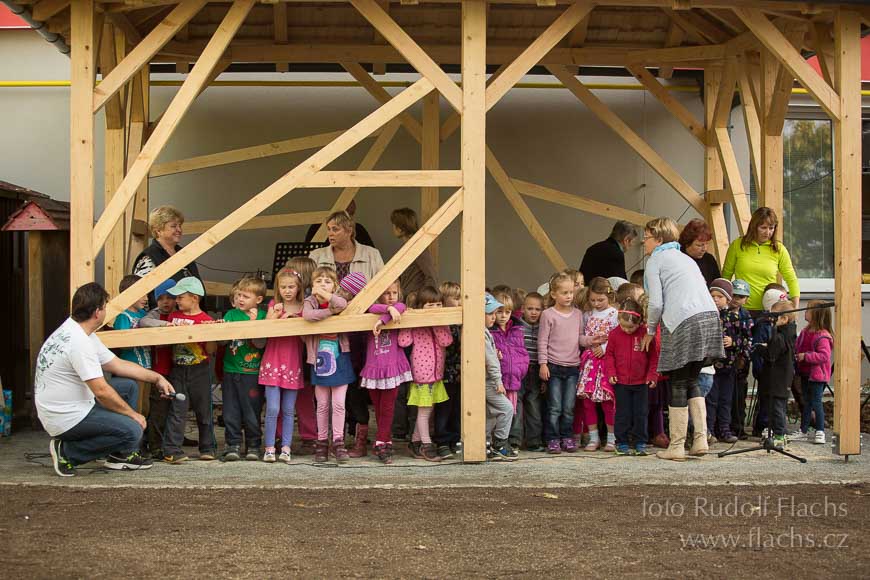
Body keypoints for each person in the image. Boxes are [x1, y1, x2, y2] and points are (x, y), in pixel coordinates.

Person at [36, 283, 174, 477]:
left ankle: (121, 455)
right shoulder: (78, 343)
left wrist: (156, 377)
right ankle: (67, 453)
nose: (106, 311)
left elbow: (117, 364)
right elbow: (101, 391)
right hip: (66, 417)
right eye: (105, 307)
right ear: (97, 312)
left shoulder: (79, 330)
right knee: (132, 430)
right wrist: (133, 415)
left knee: (127, 386)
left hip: (72, 403)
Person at [640, 217, 724, 462]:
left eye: (646, 237)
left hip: (684, 321)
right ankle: (700, 440)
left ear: (658, 239)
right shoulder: (684, 258)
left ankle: (676, 446)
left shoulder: (656, 260)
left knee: (677, 381)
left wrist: (650, 329)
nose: (644, 242)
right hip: (709, 319)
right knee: (691, 379)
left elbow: (655, 302)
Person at [538, 272, 606, 455]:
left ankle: (567, 437)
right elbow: (542, 341)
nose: (569, 296)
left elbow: (580, 338)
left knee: (568, 407)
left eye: (570, 292)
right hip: (553, 365)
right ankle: (552, 439)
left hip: (572, 367)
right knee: (554, 407)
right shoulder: (547, 315)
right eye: (564, 293)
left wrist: (592, 340)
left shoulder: (577, 314)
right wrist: (543, 364)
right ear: (554, 294)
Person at [162, 277, 218, 464]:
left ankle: (207, 447)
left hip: (200, 369)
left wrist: (211, 333)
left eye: (180, 297)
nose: (176, 301)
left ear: (194, 298)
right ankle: (171, 449)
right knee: (177, 409)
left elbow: (210, 351)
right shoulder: (173, 317)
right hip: (178, 369)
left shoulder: (206, 320)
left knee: (204, 410)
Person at [302, 267, 355, 464]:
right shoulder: (310, 302)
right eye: (318, 281)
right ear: (312, 285)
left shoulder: (338, 300)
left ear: (335, 285)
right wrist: (328, 312)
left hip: (340, 357)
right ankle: (322, 442)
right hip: (319, 360)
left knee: (339, 403)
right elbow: (308, 315)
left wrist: (328, 298)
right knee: (322, 404)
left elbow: (341, 304)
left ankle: (339, 442)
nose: (323, 284)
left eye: (327, 281)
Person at [360, 280, 413, 464]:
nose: (391, 297)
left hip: (391, 367)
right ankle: (385, 439)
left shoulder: (398, 308)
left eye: (394, 292)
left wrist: (386, 316)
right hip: (374, 368)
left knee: (388, 406)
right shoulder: (371, 309)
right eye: (386, 293)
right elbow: (369, 306)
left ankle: (381, 441)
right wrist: (386, 310)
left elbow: (401, 305)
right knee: (379, 406)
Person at [399, 286, 453, 462]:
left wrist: (437, 322)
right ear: (421, 306)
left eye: (438, 304)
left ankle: (415, 442)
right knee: (423, 412)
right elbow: (403, 341)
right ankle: (426, 444)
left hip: (436, 374)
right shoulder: (417, 324)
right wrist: (410, 322)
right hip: (422, 374)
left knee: (428, 410)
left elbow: (446, 341)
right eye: (431, 305)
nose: (436, 308)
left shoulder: (440, 323)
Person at [259, 269, 305, 463]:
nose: (287, 290)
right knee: (272, 408)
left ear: (298, 288)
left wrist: (297, 321)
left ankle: (286, 447)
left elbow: (306, 335)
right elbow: (265, 329)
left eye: (291, 287)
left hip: (292, 364)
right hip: (273, 362)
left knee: (288, 409)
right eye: (283, 287)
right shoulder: (274, 305)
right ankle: (269, 447)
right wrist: (276, 316)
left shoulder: (303, 307)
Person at [221, 277, 268, 462]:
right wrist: (220, 329)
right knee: (230, 410)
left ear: (258, 300)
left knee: (252, 411)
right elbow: (222, 342)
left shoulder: (264, 316)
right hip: (231, 369)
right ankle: (232, 444)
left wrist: (255, 323)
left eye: (246, 296)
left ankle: (254, 445)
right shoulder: (231, 314)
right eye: (239, 295)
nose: (240, 299)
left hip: (252, 372)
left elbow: (260, 344)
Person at [605, 298, 659, 456]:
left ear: (639, 322)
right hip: (621, 382)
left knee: (641, 413)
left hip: (641, 382)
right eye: (623, 326)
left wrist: (652, 375)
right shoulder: (614, 334)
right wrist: (611, 372)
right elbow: (609, 355)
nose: (627, 330)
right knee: (622, 413)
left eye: (631, 327)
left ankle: (640, 442)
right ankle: (621, 442)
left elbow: (653, 357)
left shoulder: (645, 334)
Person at [722, 207, 800, 313]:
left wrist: (794, 308)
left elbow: (791, 279)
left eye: (771, 228)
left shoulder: (779, 249)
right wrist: (724, 304)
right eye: (763, 227)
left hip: (770, 310)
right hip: (741, 309)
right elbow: (726, 276)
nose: (767, 232)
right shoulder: (737, 245)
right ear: (754, 227)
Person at [706, 279, 752, 445]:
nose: (716, 299)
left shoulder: (737, 316)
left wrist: (733, 342)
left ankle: (725, 429)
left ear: (727, 298)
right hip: (710, 366)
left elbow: (748, 340)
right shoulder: (707, 314)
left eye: (720, 296)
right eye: (713, 296)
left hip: (729, 366)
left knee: (726, 399)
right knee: (710, 399)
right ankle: (709, 431)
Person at [577, 277, 619, 452]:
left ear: (609, 296)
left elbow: (618, 338)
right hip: (589, 362)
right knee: (587, 401)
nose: (597, 303)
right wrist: (589, 343)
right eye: (593, 300)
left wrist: (604, 347)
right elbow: (580, 336)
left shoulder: (615, 314)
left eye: (600, 300)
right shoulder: (587, 315)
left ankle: (611, 438)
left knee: (607, 401)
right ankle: (593, 438)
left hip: (606, 362)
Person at [282, 256, 317, 455]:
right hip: (287, 355)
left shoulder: (310, 303)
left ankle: (310, 436)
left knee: (305, 397)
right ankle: (304, 436)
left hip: (304, 354)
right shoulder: (281, 303)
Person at [138, 279, 177, 457]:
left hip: (176, 368)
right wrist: (166, 326)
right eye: (161, 298)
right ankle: (155, 446)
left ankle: (172, 438)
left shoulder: (179, 313)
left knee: (174, 409)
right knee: (158, 410)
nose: (165, 302)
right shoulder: (154, 315)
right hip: (158, 370)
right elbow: (143, 322)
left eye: (170, 297)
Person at [132, 206, 203, 303]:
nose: (179, 229)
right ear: (158, 230)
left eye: (180, 225)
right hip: (161, 317)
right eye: (173, 226)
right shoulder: (148, 258)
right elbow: (139, 295)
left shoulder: (184, 253)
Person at [489, 290, 530, 456]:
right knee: (495, 412)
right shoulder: (490, 331)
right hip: (498, 380)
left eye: (507, 312)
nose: (503, 316)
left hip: (513, 379)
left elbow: (522, 353)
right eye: (499, 312)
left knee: (511, 411)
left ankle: (508, 441)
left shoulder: (517, 330)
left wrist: (521, 370)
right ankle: (492, 442)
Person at [756, 300, 797, 449]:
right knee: (778, 407)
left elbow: (772, 355)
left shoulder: (780, 336)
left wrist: (760, 349)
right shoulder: (789, 334)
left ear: (783, 319)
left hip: (777, 379)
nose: (771, 320)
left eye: (774, 317)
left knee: (776, 408)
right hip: (782, 378)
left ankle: (780, 434)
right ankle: (779, 432)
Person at [483, 293, 517, 461]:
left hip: (486, 380)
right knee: (507, 408)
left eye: (494, 313)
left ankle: (487, 445)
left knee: (490, 414)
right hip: (489, 382)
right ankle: (500, 444)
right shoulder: (482, 334)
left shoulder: (484, 333)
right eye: (489, 313)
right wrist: (498, 381)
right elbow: (490, 361)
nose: (494, 317)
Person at [795, 301, 833, 445]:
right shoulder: (805, 331)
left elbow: (824, 356)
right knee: (807, 403)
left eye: (808, 310)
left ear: (817, 314)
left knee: (816, 402)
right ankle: (804, 430)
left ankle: (820, 430)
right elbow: (797, 346)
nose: (805, 311)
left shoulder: (823, 335)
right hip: (805, 373)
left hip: (817, 376)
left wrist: (806, 356)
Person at [309, 210, 384, 282]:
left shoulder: (372, 254)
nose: (330, 233)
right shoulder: (316, 256)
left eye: (335, 229)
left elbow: (382, 284)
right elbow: (307, 288)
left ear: (349, 231)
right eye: (329, 229)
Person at [515, 292, 547, 452]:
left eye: (537, 309)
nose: (534, 312)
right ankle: (515, 441)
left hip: (536, 370)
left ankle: (534, 441)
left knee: (534, 406)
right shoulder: (516, 327)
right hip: (520, 371)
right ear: (522, 309)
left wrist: (544, 381)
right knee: (517, 405)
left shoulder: (544, 328)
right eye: (530, 308)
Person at [434, 281, 463, 459]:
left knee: (458, 408)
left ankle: (455, 438)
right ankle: (442, 440)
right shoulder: (445, 323)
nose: (460, 301)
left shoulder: (460, 322)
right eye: (456, 298)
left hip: (459, 372)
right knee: (444, 408)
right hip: (445, 372)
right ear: (445, 300)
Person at [390, 207, 438, 295]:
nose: (392, 228)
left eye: (394, 224)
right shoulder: (405, 248)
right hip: (406, 299)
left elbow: (431, 276)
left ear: (400, 228)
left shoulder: (418, 247)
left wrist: (425, 299)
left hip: (416, 301)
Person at [728, 279, 754, 440]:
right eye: (734, 295)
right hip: (725, 362)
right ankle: (724, 426)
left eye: (741, 296)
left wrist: (743, 354)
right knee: (726, 396)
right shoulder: (723, 313)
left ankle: (738, 427)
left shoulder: (746, 316)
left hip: (741, 361)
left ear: (746, 299)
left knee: (740, 396)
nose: (736, 299)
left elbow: (749, 339)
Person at [112, 275, 151, 370]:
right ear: (129, 294)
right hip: (131, 365)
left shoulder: (143, 313)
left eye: (147, 294)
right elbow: (123, 343)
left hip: (147, 363)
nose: (146, 299)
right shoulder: (123, 316)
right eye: (142, 295)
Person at [305, 200, 376, 248]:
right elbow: (307, 254)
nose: (348, 219)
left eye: (351, 215)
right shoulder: (317, 228)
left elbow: (370, 255)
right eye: (345, 214)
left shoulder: (358, 229)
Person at [679, 218, 721, 285]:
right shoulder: (677, 257)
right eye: (699, 245)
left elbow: (716, 285)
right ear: (687, 243)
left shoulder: (709, 259)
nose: (704, 249)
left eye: (707, 244)